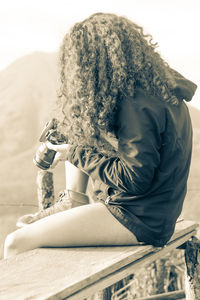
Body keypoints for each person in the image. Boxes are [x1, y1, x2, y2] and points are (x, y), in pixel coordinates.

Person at [4, 12, 197, 258]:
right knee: (81, 122)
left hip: (140, 218)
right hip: (149, 211)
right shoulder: (154, 89)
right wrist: (72, 137)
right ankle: (74, 198)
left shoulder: (138, 105)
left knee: (15, 243)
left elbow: (134, 178)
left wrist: (73, 154)